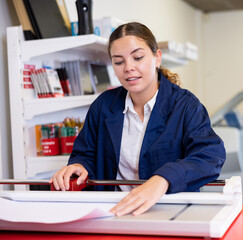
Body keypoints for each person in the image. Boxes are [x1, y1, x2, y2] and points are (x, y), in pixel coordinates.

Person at [50, 22, 225, 216]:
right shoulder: (103, 106)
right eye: (119, 61)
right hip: (114, 213)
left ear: (157, 58)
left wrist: (163, 179)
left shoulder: (185, 105)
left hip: (169, 212)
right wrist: (78, 166)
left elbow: (209, 156)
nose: (128, 68)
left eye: (138, 58)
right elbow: (86, 154)